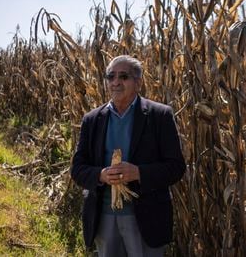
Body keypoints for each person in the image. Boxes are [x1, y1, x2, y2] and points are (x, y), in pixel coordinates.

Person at [71, 55, 186, 256]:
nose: (115, 82)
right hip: (104, 218)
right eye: (111, 76)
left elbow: (176, 168)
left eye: (123, 76)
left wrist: (138, 173)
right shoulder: (92, 120)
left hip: (146, 218)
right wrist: (101, 175)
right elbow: (78, 169)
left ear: (138, 83)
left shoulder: (160, 116)